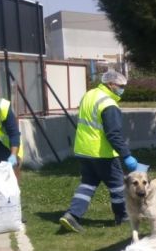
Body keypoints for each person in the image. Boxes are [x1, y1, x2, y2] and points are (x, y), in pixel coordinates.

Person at [59, 70, 139, 233]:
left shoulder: (89, 95)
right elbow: (113, 134)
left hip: (83, 150)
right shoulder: (108, 104)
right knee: (117, 186)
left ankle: (72, 215)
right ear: (110, 84)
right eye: (120, 86)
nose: (123, 89)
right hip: (101, 152)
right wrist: (127, 155)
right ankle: (123, 218)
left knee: (87, 184)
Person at [0, 96, 23, 177]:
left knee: (11, 182)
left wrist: (13, 155)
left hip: (8, 148)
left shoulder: (2, 107)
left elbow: (14, 133)